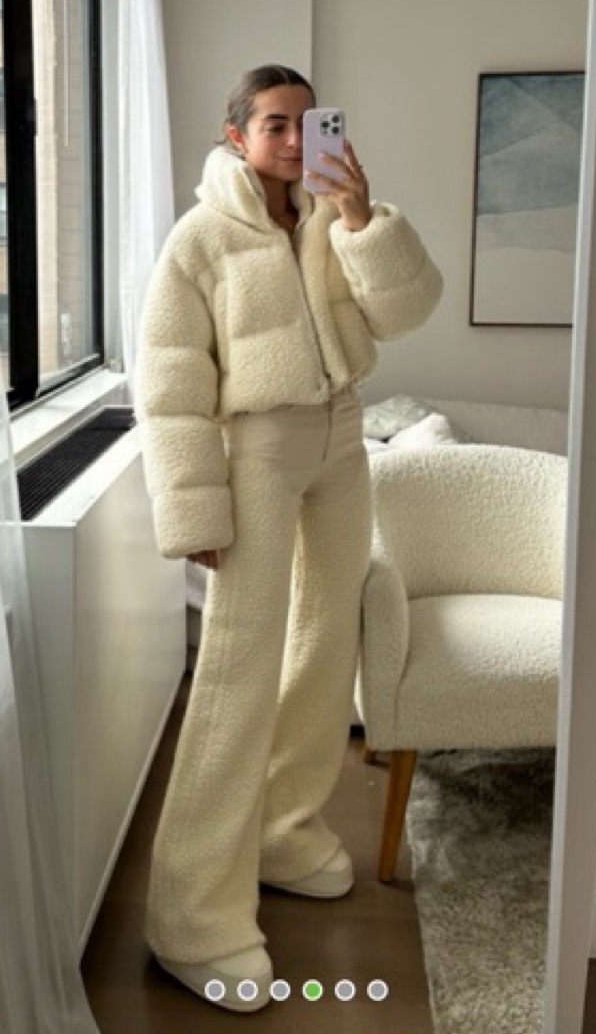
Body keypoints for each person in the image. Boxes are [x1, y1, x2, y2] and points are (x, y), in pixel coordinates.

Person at [135, 63, 443, 1012]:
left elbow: (407, 310)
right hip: (258, 452)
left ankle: (284, 829)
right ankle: (193, 916)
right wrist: (196, 511)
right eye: (274, 124)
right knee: (239, 666)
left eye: (309, 123)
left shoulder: (329, 218)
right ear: (235, 135)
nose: (294, 139)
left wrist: (359, 218)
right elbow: (170, 382)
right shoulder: (199, 239)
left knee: (326, 643)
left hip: (344, 437)